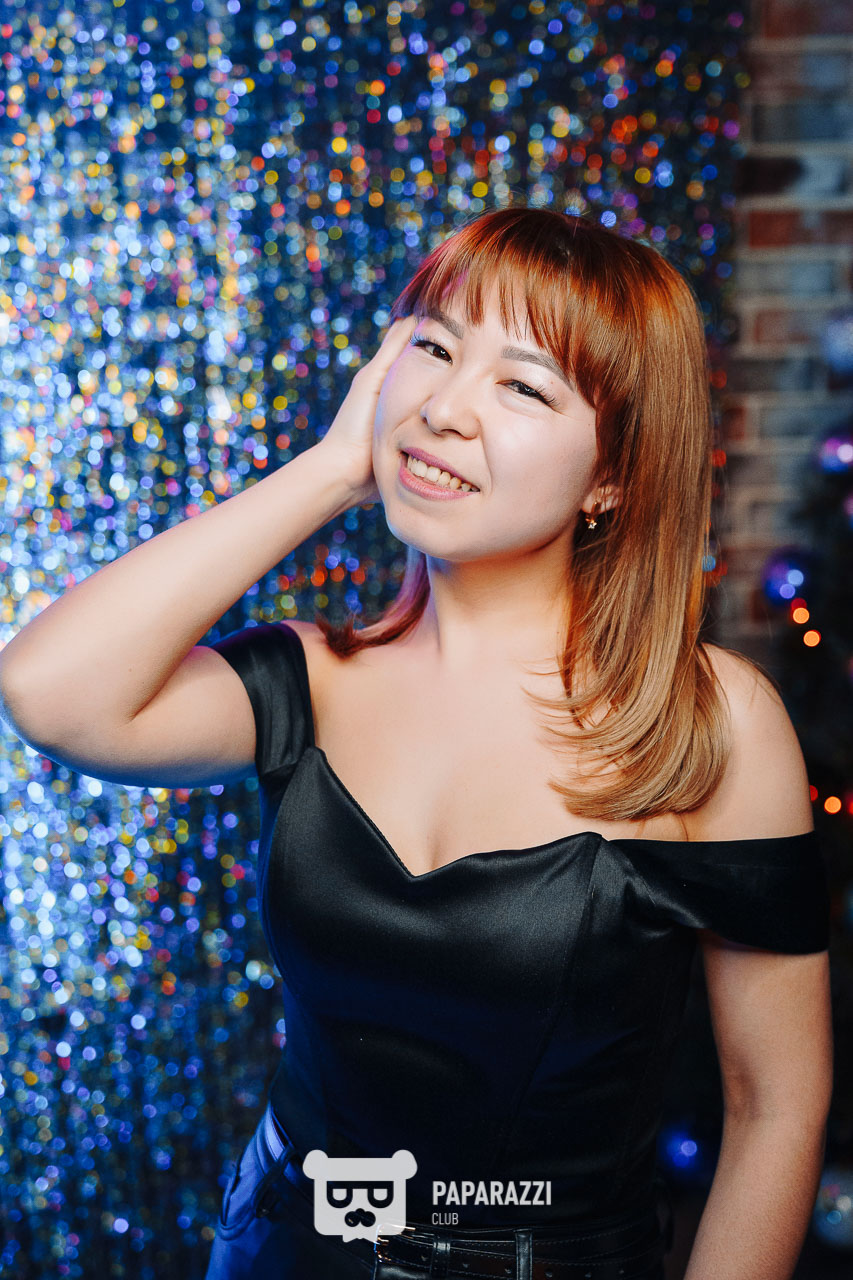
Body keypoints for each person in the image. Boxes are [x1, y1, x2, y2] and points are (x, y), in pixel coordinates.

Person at [0, 206, 832, 1280]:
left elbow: (775, 1105)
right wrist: (332, 466)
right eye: (433, 348)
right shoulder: (309, 679)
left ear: (612, 476)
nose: (444, 408)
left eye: (523, 387)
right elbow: (47, 691)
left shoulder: (710, 722)